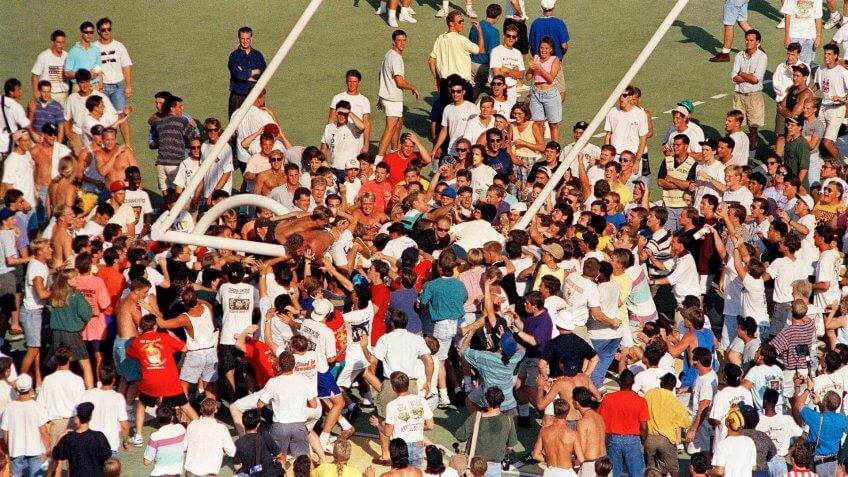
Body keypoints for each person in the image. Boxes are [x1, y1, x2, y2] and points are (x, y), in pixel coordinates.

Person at [377, 30, 420, 158]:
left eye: (404, 40)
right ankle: (378, 161)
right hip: (392, 99)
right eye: (399, 40)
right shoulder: (396, 58)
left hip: (388, 97)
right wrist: (412, 87)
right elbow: (399, 82)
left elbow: (381, 74)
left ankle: (394, 152)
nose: (402, 43)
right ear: (393, 42)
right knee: (390, 129)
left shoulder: (389, 54)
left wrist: (381, 95)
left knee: (398, 124)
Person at [597, 370, 647, 477]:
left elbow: (602, 423)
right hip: (633, 440)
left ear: (619, 382)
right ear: (633, 383)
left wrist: (604, 442)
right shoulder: (640, 401)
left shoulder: (608, 399)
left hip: (613, 439)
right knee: (636, 473)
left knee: (614, 472)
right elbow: (643, 426)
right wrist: (643, 441)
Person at [1, 374, 50, 477]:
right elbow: (43, 432)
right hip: (35, 449)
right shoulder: (37, 407)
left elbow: (6, 434)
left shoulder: (9, 408)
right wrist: (48, 449)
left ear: (17, 388)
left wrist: (9, 448)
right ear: (30, 387)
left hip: (16, 451)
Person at [94, 17, 133, 144]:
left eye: (109, 29)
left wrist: (128, 86)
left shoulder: (119, 46)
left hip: (118, 86)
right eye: (103, 30)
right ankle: (105, 143)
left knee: (122, 116)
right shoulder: (94, 47)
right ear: (99, 31)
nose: (107, 32)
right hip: (102, 87)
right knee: (102, 117)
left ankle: (128, 144)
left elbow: (126, 66)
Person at [644, 373, 690, 477]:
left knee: (651, 470)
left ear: (661, 383)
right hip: (666, 440)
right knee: (673, 469)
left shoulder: (650, 394)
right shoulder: (675, 402)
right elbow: (686, 422)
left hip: (649, 438)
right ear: (673, 386)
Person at [51, 402, 112, 477]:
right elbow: (107, 457)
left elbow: (56, 455)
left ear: (77, 418)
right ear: (90, 418)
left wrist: (60, 437)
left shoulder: (69, 439)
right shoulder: (99, 437)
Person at [731, 29, 767, 151]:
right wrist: (748, 75)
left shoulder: (762, 57)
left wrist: (741, 73)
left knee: (753, 126)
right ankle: (738, 145)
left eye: (751, 40)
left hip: (754, 95)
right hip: (739, 95)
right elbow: (734, 77)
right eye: (747, 40)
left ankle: (753, 148)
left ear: (757, 42)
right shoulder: (739, 55)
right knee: (737, 123)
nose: (748, 42)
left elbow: (756, 79)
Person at [428, 11, 484, 89]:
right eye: (460, 22)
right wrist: (480, 31)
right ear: (451, 23)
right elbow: (480, 50)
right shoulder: (461, 40)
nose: (462, 24)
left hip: (445, 85)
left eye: (463, 21)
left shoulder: (440, 39)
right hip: (461, 86)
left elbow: (431, 61)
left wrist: (436, 78)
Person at [812, 43, 848, 160]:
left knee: (827, 142)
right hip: (823, 107)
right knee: (816, 136)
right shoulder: (820, 69)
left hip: (837, 109)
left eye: (829, 54)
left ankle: (841, 167)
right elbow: (817, 85)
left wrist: (841, 98)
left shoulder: (843, 72)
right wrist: (809, 95)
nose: (826, 56)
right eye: (825, 53)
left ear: (836, 56)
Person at [184, 398, 236, 476]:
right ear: (215, 410)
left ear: (201, 410)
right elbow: (232, 452)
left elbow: (184, 447)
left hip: (191, 472)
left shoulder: (192, 424)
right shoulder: (221, 428)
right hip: (209, 473)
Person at [531, 399, 584, 477]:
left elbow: (535, 455)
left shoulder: (544, 431)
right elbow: (581, 459)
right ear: (567, 413)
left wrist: (548, 460)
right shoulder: (573, 434)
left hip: (549, 472)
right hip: (566, 472)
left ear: (554, 412)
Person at [526, 36, 562, 144]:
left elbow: (551, 78)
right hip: (536, 93)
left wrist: (539, 68)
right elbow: (527, 78)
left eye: (546, 48)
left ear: (551, 49)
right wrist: (530, 68)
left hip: (550, 94)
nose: (543, 50)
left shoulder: (555, 60)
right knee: (537, 123)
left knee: (553, 123)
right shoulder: (536, 57)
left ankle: (555, 147)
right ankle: (540, 147)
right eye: (542, 48)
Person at [228, 26, 266, 117]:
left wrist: (245, 73)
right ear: (239, 39)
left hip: (256, 97)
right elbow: (238, 74)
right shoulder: (234, 56)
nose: (245, 41)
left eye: (247, 39)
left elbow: (264, 73)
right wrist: (254, 72)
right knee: (236, 126)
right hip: (238, 97)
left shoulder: (258, 55)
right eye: (243, 39)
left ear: (251, 38)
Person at [233, 409, 285, 476]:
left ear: (243, 423)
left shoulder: (238, 443)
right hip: (268, 472)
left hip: (251, 473)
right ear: (258, 424)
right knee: (281, 460)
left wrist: (254, 469)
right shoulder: (265, 435)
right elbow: (279, 455)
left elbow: (237, 466)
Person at [30, 30, 69, 104]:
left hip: (64, 94)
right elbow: (35, 76)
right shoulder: (43, 56)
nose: (61, 45)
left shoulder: (67, 56)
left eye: (63, 42)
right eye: (58, 42)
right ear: (52, 42)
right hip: (48, 95)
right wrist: (36, 93)